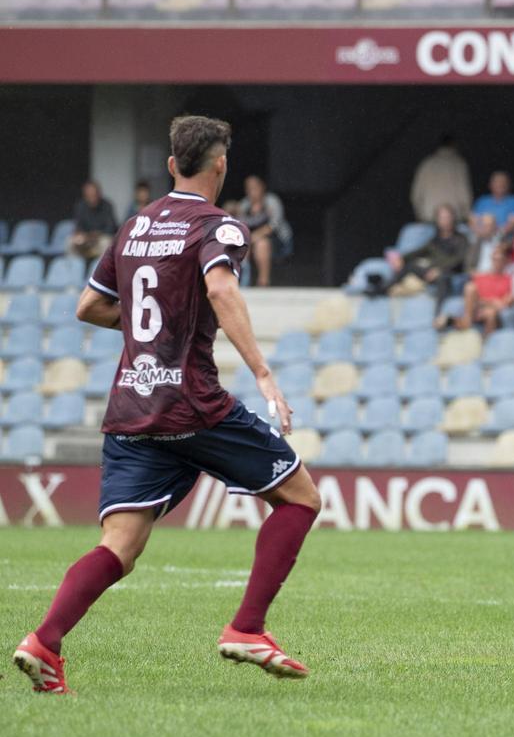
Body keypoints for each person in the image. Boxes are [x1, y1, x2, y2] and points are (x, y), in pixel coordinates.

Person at [12, 116, 322, 694]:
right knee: (300, 497)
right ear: (221, 165)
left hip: (132, 402)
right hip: (191, 400)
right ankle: (247, 628)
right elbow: (222, 288)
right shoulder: (220, 226)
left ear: (173, 165)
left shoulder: (132, 228)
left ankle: (44, 642)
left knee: (120, 546)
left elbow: (88, 306)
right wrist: (262, 372)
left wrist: (153, 330)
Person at [387, 203, 469, 306]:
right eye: (442, 217)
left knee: (442, 278)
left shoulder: (461, 239)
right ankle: (384, 290)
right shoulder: (435, 240)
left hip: (448, 273)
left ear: (453, 218)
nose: (445, 221)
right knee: (409, 266)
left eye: (447, 217)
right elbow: (419, 252)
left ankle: (438, 315)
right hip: (431, 271)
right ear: (437, 220)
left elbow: (459, 260)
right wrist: (401, 258)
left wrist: (440, 270)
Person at [240, 175, 293, 288]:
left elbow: (274, 225)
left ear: (262, 187)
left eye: (255, 187)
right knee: (241, 244)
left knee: (262, 244)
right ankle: (244, 280)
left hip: (278, 241)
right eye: (249, 188)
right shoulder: (244, 205)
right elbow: (239, 225)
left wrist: (253, 237)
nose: (252, 191)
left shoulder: (271, 201)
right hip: (250, 242)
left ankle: (263, 282)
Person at [410, 134, 473, 222]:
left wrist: (420, 216)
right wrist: (466, 216)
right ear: (454, 145)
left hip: (428, 217)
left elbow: (416, 194)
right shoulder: (458, 164)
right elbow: (464, 194)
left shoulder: (426, 163)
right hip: (452, 220)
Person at [456, 245, 513, 334]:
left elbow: (502, 304)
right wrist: (490, 301)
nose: (497, 262)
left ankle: (487, 343)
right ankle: (467, 323)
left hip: (493, 312)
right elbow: (472, 299)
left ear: (505, 261)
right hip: (476, 309)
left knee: (490, 313)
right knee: (470, 287)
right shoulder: (480, 277)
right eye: (495, 259)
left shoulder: (509, 279)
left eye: (500, 260)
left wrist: (486, 302)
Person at [69, 180, 118, 260]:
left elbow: (111, 228)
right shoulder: (80, 206)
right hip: (86, 239)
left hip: (100, 238)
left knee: (106, 242)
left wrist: (97, 234)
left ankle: (102, 270)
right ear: (85, 196)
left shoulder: (107, 205)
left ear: (99, 194)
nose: (91, 198)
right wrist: (82, 235)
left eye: (93, 195)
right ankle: (74, 268)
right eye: (88, 195)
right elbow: (78, 226)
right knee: (70, 242)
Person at [470, 170, 514, 236]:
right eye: (496, 182)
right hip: (481, 236)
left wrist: (496, 234)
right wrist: (482, 233)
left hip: (503, 237)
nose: (500, 184)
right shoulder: (482, 201)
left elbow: (512, 224)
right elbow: (473, 221)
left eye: (503, 182)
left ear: (508, 185)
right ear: (490, 185)